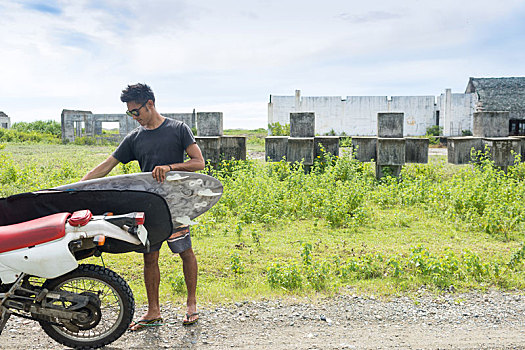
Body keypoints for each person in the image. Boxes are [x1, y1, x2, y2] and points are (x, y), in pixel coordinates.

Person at [82, 83, 205, 330]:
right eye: (130, 113)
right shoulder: (134, 138)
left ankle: (191, 305)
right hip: (149, 205)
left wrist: (170, 167)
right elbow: (107, 166)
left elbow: (198, 162)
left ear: (150, 104)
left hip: (175, 204)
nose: (134, 117)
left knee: (185, 251)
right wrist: (76, 187)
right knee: (150, 257)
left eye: (135, 111)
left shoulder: (178, 129)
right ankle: (153, 312)